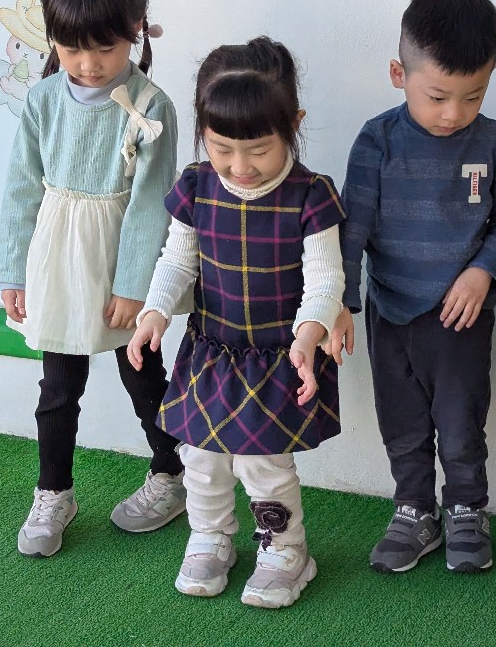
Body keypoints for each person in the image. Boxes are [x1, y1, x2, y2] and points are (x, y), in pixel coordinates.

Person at [128, 37, 346, 609]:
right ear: (204, 131)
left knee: (262, 462)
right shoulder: (197, 186)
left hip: (279, 356)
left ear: (293, 125)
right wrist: (154, 311)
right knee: (200, 456)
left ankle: (285, 549)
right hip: (212, 352)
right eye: (222, 148)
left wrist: (309, 336)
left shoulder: (311, 196)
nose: (241, 167)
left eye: (259, 150)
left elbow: (326, 281)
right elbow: (177, 261)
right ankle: (210, 536)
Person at [0, 0, 185, 558]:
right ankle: (54, 491)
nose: (88, 63)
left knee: (142, 374)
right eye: (72, 48)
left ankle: (171, 473)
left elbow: (152, 204)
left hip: (121, 261)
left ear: (135, 29)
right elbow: (21, 189)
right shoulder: (43, 100)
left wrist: (134, 286)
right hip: (58, 260)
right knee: (58, 386)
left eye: (104, 47)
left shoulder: (152, 108)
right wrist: (13, 269)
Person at [339, 0, 496, 574]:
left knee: (461, 422)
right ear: (399, 74)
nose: (454, 113)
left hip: (461, 318)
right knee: (401, 421)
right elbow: (351, 229)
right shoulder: (376, 140)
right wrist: (341, 303)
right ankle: (414, 510)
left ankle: (467, 509)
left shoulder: (492, 141)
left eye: (473, 96)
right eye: (438, 96)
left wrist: (482, 272)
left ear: (492, 74)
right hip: (391, 312)